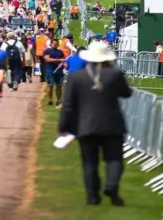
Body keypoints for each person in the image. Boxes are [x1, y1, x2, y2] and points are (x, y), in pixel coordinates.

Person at [59, 40, 132, 206]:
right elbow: (126, 93)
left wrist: (64, 127)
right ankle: (112, 185)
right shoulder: (115, 74)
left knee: (89, 162)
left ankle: (93, 197)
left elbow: (68, 105)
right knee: (114, 159)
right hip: (112, 124)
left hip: (86, 124)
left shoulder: (76, 76)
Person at [42, 38, 66, 106]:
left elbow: (63, 60)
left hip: (59, 71)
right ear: (51, 44)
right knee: (50, 85)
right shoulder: (47, 51)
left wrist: (64, 64)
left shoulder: (60, 52)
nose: (56, 45)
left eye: (57, 44)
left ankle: (59, 100)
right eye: (55, 44)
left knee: (59, 85)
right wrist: (59, 60)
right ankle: (50, 100)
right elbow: (47, 59)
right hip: (50, 70)